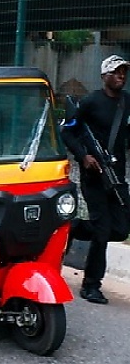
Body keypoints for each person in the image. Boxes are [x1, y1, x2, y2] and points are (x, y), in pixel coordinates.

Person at [61, 54, 130, 305]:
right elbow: (68, 132)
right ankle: (91, 285)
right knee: (102, 231)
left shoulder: (126, 103)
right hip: (94, 177)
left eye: (124, 72)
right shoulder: (90, 102)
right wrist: (84, 157)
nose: (121, 76)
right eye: (116, 72)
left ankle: (75, 228)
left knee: (121, 228)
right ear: (104, 76)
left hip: (117, 177)